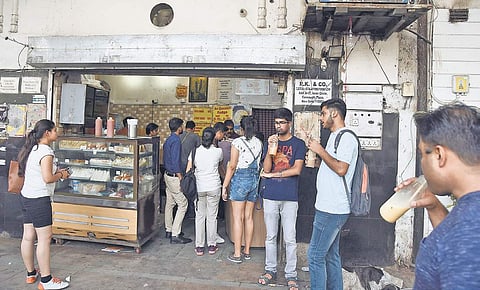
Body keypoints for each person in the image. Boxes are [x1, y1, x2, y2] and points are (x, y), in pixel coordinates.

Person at [399, 103, 480, 289]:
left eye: (422, 154)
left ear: (438, 155)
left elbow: (459, 243)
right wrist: (434, 207)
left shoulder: (463, 235)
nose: (422, 164)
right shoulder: (466, 221)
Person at [306, 98, 358, 290]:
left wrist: (319, 150)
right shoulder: (336, 136)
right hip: (330, 206)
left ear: (334, 114)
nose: (321, 118)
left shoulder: (346, 137)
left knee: (315, 256)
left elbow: (341, 168)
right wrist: (318, 161)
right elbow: (333, 165)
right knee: (330, 255)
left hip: (331, 208)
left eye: (323, 113)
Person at [17, 119, 70, 289]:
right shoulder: (46, 152)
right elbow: (47, 178)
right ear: (47, 133)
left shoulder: (33, 148)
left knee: (28, 236)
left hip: (26, 195)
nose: (57, 133)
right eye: (55, 130)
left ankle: (31, 274)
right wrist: (61, 174)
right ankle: (46, 281)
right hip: (39, 199)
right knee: (45, 238)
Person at [258, 108, 306, 290]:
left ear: (289, 123)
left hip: (290, 197)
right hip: (270, 196)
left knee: (290, 238)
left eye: (282, 123)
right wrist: (271, 149)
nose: (278, 126)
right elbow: (267, 169)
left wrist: (272, 176)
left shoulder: (298, 144)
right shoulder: (271, 142)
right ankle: (270, 269)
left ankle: (291, 274)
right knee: (270, 236)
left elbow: (297, 170)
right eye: (276, 123)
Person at [221, 115, 262, 263]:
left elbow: (232, 166)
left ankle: (237, 254)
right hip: (254, 180)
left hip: (240, 179)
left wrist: (224, 186)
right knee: (249, 217)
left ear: (242, 128)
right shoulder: (259, 142)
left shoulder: (237, 142)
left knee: (238, 218)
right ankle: (247, 251)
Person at [185, 127, 223, 256]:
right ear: (213, 139)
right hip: (214, 186)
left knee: (200, 217)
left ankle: (199, 247)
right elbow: (220, 164)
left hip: (199, 188)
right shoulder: (218, 151)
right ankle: (212, 245)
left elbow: (188, 170)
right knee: (212, 217)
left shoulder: (194, 152)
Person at [162, 117, 192, 244]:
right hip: (174, 176)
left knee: (170, 203)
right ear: (179, 127)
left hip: (167, 176)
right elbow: (175, 161)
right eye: (182, 126)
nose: (182, 128)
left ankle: (169, 229)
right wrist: (180, 177)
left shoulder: (168, 140)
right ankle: (175, 234)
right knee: (183, 203)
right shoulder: (176, 141)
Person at [179, 120, 201, 219]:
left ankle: (182, 211)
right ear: (193, 128)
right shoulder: (195, 137)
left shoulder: (179, 135)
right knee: (190, 188)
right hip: (189, 167)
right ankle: (191, 211)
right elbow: (200, 149)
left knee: (182, 188)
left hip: (179, 167)